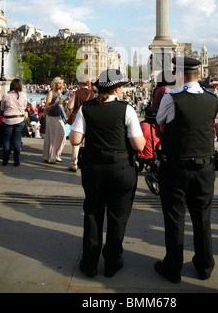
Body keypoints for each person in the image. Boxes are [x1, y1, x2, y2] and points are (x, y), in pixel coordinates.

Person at [69, 68, 145, 278]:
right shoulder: (126, 110)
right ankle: (112, 262)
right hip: (121, 169)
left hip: (93, 169)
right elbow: (138, 145)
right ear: (118, 88)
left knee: (93, 214)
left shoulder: (87, 108)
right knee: (117, 217)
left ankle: (90, 263)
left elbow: (74, 140)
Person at [155, 57, 218, 283]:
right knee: (203, 218)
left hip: (176, 167)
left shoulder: (170, 98)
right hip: (205, 167)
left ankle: (172, 268)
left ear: (179, 74)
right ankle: (204, 266)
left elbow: (160, 123)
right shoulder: (213, 99)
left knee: (175, 218)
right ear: (199, 73)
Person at [67, 74, 94, 172]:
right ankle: (85, 162)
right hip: (89, 117)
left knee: (76, 142)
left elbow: (70, 106)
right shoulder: (92, 93)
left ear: (79, 83)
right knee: (86, 141)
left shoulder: (77, 93)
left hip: (77, 117)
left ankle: (74, 164)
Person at [0, 78, 27, 166]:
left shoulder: (6, 95)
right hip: (19, 119)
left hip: (8, 120)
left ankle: (5, 160)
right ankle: (16, 160)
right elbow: (25, 106)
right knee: (17, 140)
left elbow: (2, 108)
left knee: (6, 140)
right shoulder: (23, 95)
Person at [43, 77, 68, 163]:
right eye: (60, 83)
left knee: (62, 135)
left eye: (62, 83)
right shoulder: (51, 93)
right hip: (51, 117)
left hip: (58, 116)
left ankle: (56, 153)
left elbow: (59, 104)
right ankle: (51, 156)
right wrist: (54, 105)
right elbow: (47, 107)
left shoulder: (59, 93)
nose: (61, 85)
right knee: (52, 137)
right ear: (55, 84)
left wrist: (65, 100)